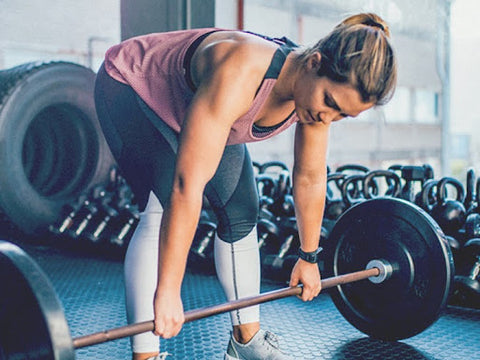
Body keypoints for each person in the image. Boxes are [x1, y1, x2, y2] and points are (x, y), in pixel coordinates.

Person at [94, 12, 397, 360]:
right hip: (132, 88)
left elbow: (310, 177)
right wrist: (168, 292)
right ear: (314, 63)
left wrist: (309, 257)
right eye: (330, 103)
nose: (328, 118)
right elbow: (187, 187)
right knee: (161, 203)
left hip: (197, 109)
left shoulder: (314, 101)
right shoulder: (241, 71)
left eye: (343, 114)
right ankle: (144, 356)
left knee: (240, 211)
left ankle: (245, 342)